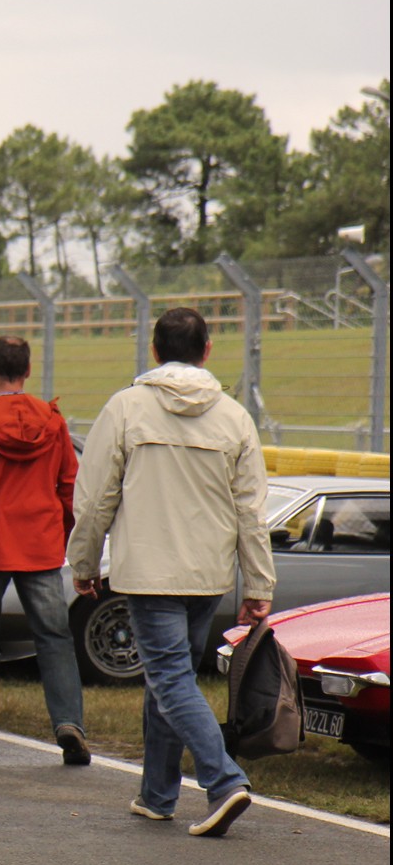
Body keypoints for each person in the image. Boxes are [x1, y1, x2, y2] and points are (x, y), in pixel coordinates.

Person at [68, 308, 274, 836]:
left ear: (154, 351)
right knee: (171, 678)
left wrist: (84, 564)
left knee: (169, 679)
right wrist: (258, 584)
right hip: (208, 573)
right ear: (208, 351)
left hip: (148, 572)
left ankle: (224, 781)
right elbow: (252, 510)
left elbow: (93, 501)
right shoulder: (234, 417)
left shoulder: (126, 408)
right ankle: (157, 794)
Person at [0, 336, 88, 765]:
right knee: (55, 638)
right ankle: (69, 722)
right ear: (27, 371)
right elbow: (70, 484)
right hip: (40, 545)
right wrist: (61, 532)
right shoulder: (52, 420)